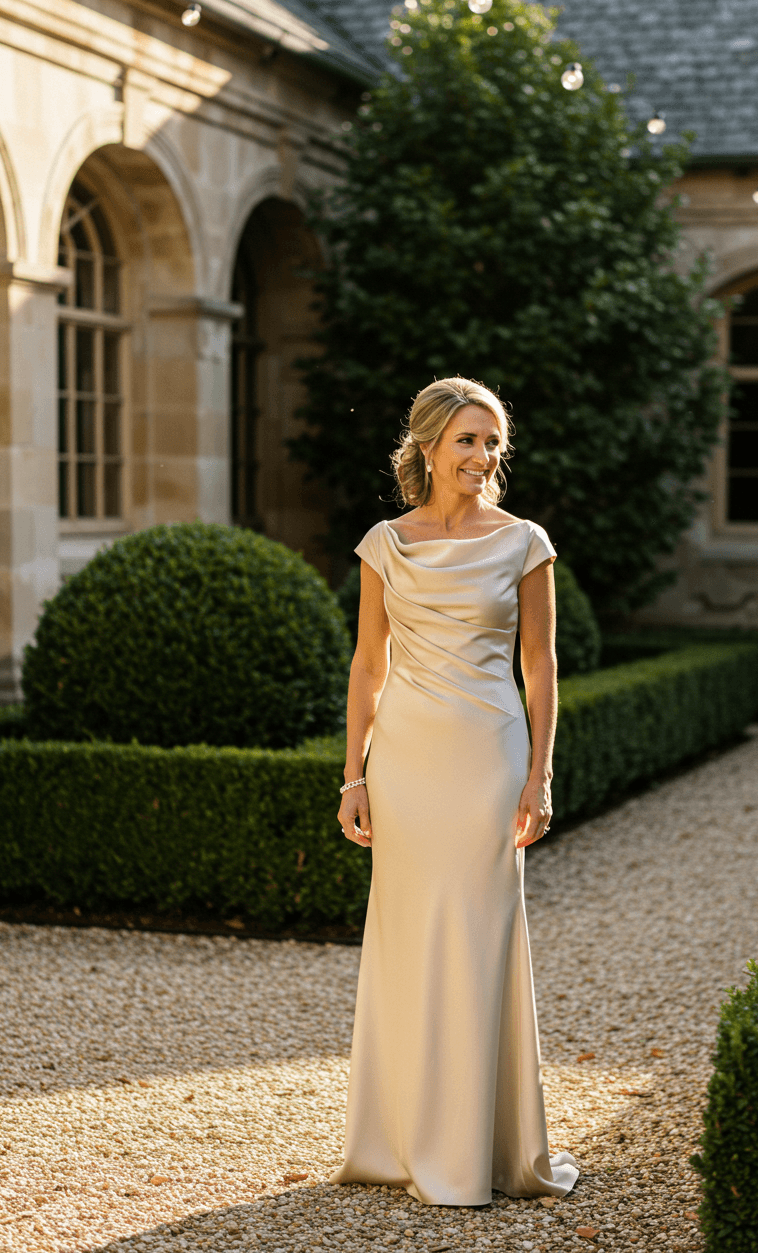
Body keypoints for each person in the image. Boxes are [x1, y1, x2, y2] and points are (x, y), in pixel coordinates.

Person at [330, 377, 578, 1207]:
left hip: (487, 759)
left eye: (493, 442)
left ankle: (476, 1150)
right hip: (404, 763)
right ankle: (400, 1140)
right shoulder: (385, 544)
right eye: (468, 440)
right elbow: (369, 664)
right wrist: (353, 774)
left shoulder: (524, 543)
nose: (483, 456)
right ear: (429, 447)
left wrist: (540, 774)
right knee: (408, 938)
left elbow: (538, 667)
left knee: (478, 935)